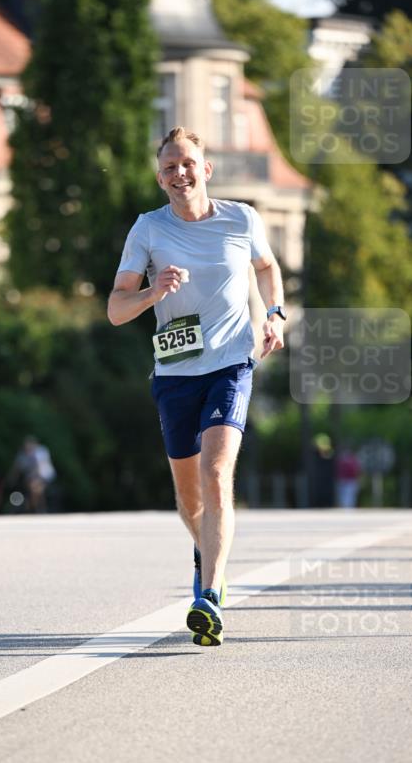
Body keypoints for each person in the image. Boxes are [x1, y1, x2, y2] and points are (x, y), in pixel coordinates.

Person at [108, 126, 285, 646]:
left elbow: (268, 268)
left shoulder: (241, 218)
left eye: (187, 163)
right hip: (174, 374)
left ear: (205, 169)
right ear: (160, 179)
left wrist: (274, 315)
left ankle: (208, 596)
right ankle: (207, 552)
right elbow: (116, 309)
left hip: (231, 364)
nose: (179, 173)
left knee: (215, 472)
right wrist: (150, 291)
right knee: (189, 499)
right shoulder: (147, 229)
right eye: (169, 168)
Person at [8, 436, 56, 514]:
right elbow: (16, 469)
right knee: (33, 488)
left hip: (45, 476)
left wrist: (34, 478)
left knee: (36, 488)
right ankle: (35, 508)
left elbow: (39, 468)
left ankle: (38, 508)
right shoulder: (21, 455)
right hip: (30, 478)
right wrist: (11, 479)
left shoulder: (40, 452)